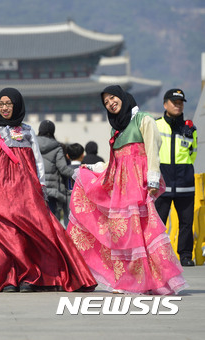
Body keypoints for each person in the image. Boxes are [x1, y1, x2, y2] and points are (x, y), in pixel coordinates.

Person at [0, 87, 96, 293]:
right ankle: (9, 279)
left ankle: (30, 277)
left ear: (17, 105)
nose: (4, 108)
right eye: (1, 104)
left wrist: (41, 189)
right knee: (4, 233)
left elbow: (38, 162)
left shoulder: (28, 130)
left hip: (26, 190)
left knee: (33, 232)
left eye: (8, 104)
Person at [67, 85, 188, 295]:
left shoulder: (143, 119)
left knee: (142, 234)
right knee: (122, 236)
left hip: (138, 185)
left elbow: (152, 149)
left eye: (113, 98)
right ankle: (126, 281)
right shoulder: (115, 128)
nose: (110, 103)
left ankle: (150, 281)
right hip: (120, 188)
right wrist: (94, 169)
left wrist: (152, 180)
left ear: (122, 97)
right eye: (106, 102)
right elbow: (114, 162)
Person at [155, 89, 198, 267]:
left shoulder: (190, 128)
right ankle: (156, 256)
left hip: (185, 183)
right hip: (161, 183)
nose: (178, 105)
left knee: (186, 222)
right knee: (158, 222)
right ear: (165, 104)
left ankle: (186, 255)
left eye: (180, 102)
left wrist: (184, 171)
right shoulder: (156, 125)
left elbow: (192, 153)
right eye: (174, 102)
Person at [36, 120, 74, 220]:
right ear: (53, 131)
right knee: (52, 222)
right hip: (51, 192)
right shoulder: (57, 147)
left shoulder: (32, 145)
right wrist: (78, 173)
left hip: (35, 189)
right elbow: (63, 169)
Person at [63, 143, 85, 227]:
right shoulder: (85, 169)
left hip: (68, 199)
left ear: (67, 156)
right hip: (82, 200)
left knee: (68, 223)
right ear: (82, 155)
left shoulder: (64, 169)